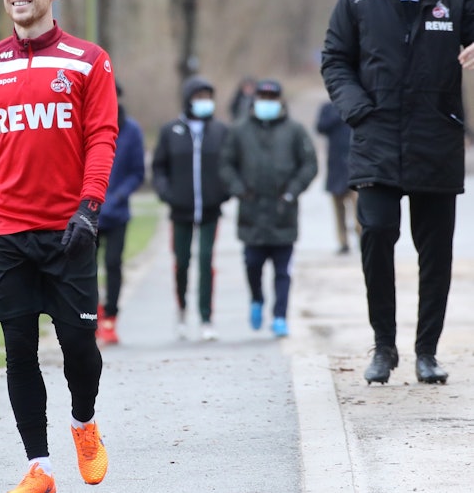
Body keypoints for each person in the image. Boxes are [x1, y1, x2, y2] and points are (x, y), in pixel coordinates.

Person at [0, 0, 117, 493]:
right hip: (6, 232)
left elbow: (102, 137)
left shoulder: (88, 61)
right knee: (18, 347)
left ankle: (84, 421)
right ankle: (38, 468)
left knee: (79, 347)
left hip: (69, 230)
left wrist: (88, 208)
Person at [323, 0, 474, 385]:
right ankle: (383, 347)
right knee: (376, 240)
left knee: (435, 254)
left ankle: (426, 352)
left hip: (437, 142)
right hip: (377, 142)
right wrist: (357, 109)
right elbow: (335, 60)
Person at [220, 79, 318, 337]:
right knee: (253, 264)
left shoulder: (295, 131)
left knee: (282, 271)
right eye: (262, 97)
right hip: (251, 212)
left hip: (283, 212)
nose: (267, 102)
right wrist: (240, 190)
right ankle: (256, 300)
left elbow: (309, 164)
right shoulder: (240, 130)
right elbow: (226, 164)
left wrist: (292, 192)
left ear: (280, 101)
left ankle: (279, 316)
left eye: (271, 98)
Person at [151, 76, 229, 341]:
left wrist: (224, 191)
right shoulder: (171, 130)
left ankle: (207, 318)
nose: (204, 102)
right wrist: (166, 193)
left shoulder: (219, 131)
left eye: (208, 97)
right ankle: (182, 310)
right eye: (199, 97)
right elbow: (159, 166)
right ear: (188, 100)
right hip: (180, 210)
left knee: (206, 261)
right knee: (182, 262)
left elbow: (230, 165)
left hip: (210, 209)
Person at [95, 80, 145, 345]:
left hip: (117, 214)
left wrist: (118, 195)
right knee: (84, 268)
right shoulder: (85, 125)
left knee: (114, 264)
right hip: (88, 213)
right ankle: (92, 315)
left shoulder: (132, 131)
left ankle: (111, 318)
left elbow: (138, 172)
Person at [315, 100, 359, 254]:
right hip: (335, 166)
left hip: (356, 165)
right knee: (338, 209)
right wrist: (338, 111)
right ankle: (343, 242)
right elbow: (320, 127)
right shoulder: (328, 108)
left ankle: (362, 237)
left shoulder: (357, 103)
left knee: (359, 209)